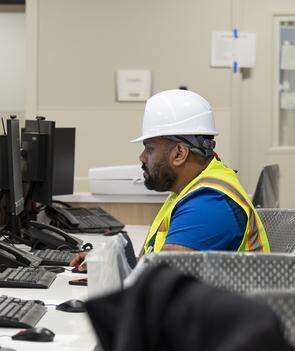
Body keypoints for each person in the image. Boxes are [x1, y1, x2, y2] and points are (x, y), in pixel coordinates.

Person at [70, 89, 269, 271]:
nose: (142, 157)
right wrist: (107, 263)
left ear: (179, 153)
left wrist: (113, 272)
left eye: (149, 149)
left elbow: (156, 281)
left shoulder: (209, 204)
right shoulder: (192, 189)